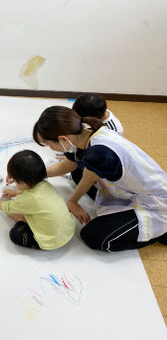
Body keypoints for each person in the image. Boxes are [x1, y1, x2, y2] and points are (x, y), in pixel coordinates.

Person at [33, 106, 167, 251]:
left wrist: (72, 201)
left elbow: (88, 178)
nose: (49, 148)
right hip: (131, 188)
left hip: (155, 204)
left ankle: (160, 233)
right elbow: (65, 167)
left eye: (48, 144)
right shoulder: (86, 131)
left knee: (93, 236)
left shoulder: (98, 153)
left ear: (63, 139)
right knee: (77, 171)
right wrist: (31, 174)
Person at [0, 150, 75, 250]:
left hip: (52, 241)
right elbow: (34, 196)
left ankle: (21, 220)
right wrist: (16, 192)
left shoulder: (26, 199)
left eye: (15, 180)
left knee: (15, 234)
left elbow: (6, 207)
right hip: (69, 229)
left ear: (23, 182)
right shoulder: (46, 185)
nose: (14, 183)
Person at [70, 93, 123, 198]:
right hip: (91, 149)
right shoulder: (95, 113)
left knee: (78, 173)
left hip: (104, 164)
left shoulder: (113, 130)